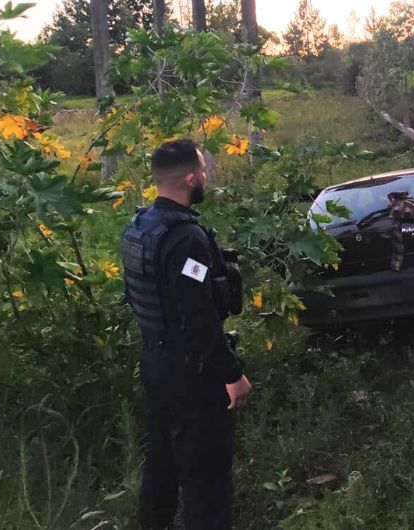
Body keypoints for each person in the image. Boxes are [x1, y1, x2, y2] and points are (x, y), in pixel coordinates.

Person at [121, 139, 252, 529]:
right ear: (192, 178)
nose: (206, 177)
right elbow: (197, 315)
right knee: (205, 474)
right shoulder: (186, 239)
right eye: (204, 170)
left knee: (161, 462)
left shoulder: (141, 227)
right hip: (191, 371)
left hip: (155, 361)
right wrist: (232, 374)